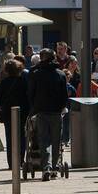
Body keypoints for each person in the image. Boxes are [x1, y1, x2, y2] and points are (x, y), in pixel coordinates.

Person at [28, 49, 69, 180]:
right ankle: (55, 167)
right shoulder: (61, 74)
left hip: (41, 111)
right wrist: (62, 107)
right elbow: (64, 96)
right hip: (56, 112)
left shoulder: (35, 74)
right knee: (56, 140)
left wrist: (34, 108)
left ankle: (46, 167)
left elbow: (30, 93)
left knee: (44, 140)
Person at [0, 58, 28, 170]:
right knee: (21, 136)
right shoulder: (23, 81)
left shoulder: (4, 83)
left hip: (8, 113)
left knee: (10, 138)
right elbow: (27, 97)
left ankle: (11, 163)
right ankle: (21, 160)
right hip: (22, 112)